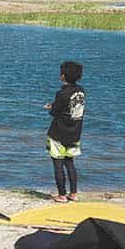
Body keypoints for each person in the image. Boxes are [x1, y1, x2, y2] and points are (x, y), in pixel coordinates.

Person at [44, 61, 86, 202]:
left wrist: (50, 107)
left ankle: (62, 195)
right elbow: (70, 107)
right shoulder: (81, 91)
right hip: (75, 133)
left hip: (58, 134)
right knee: (70, 163)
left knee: (58, 164)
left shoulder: (61, 93)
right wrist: (55, 106)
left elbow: (55, 112)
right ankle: (73, 193)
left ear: (63, 76)